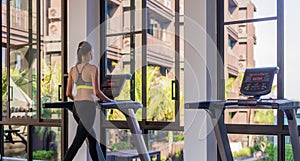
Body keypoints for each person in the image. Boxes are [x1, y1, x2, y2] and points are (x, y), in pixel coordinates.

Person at [64, 41, 114, 161]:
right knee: (77, 143)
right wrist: (110, 101)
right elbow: (97, 92)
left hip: (77, 107)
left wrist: (78, 100)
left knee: (92, 140)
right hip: (88, 108)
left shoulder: (72, 70)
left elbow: (68, 93)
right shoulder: (93, 69)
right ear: (90, 53)